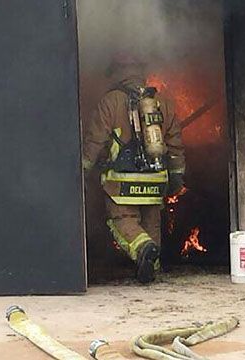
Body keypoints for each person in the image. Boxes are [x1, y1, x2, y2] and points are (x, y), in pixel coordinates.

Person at [82, 53, 185, 283]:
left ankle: (143, 250)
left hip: (122, 180)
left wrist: (83, 169)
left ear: (117, 73)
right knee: (151, 221)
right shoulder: (163, 103)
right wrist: (177, 176)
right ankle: (152, 267)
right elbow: (176, 145)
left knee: (122, 219)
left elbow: (95, 141)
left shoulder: (111, 102)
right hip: (156, 179)